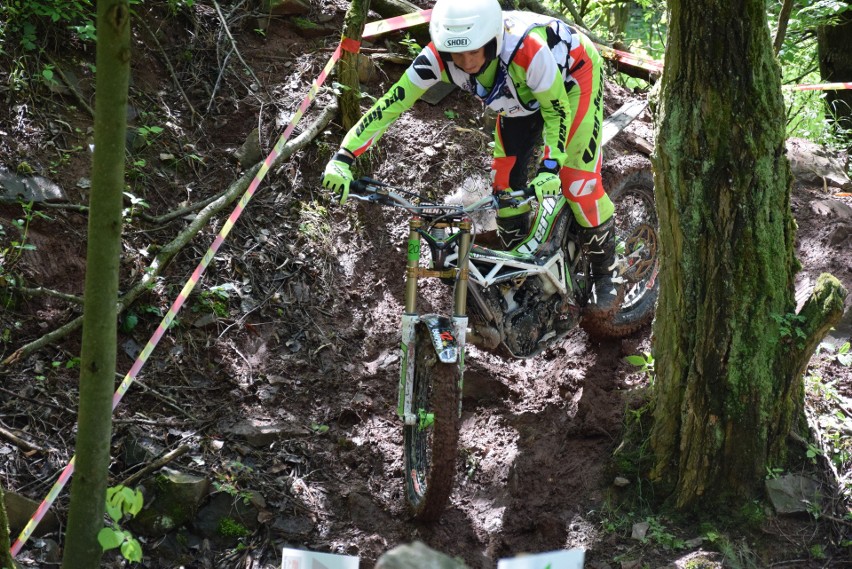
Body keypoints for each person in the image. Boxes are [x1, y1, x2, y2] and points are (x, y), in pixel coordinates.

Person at [322, 0, 618, 315]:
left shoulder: (527, 50)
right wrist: (344, 156)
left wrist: (549, 167)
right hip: (518, 95)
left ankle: (604, 273)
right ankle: (522, 273)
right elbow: (391, 103)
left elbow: (557, 110)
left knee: (576, 182)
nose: (465, 61)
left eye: (474, 50)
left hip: (573, 77)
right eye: (456, 53)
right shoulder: (437, 57)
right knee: (505, 190)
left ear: (492, 40)